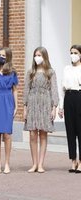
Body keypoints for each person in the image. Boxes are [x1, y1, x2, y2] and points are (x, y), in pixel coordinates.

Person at [23, 46, 59, 173]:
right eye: (35, 55)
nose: (37, 57)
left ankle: (41, 164)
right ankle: (34, 163)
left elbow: (54, 89)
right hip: (32, 103)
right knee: (32, 134)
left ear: (44, 57)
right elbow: (26, 90)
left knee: (43, 134)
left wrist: (54, 108)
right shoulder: (30, 72)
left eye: (39, 55)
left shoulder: (50, 72)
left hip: (45, 103)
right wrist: (25, 107)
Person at [58, 45, 81, 173]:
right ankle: (73, 160)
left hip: (79, 96)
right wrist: (61, 107)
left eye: (76, 52)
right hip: (68, 98)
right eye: (71, 52)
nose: (73, 55)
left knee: (80, 131)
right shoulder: (66, 69)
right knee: (70, 131)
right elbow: (62, 89)